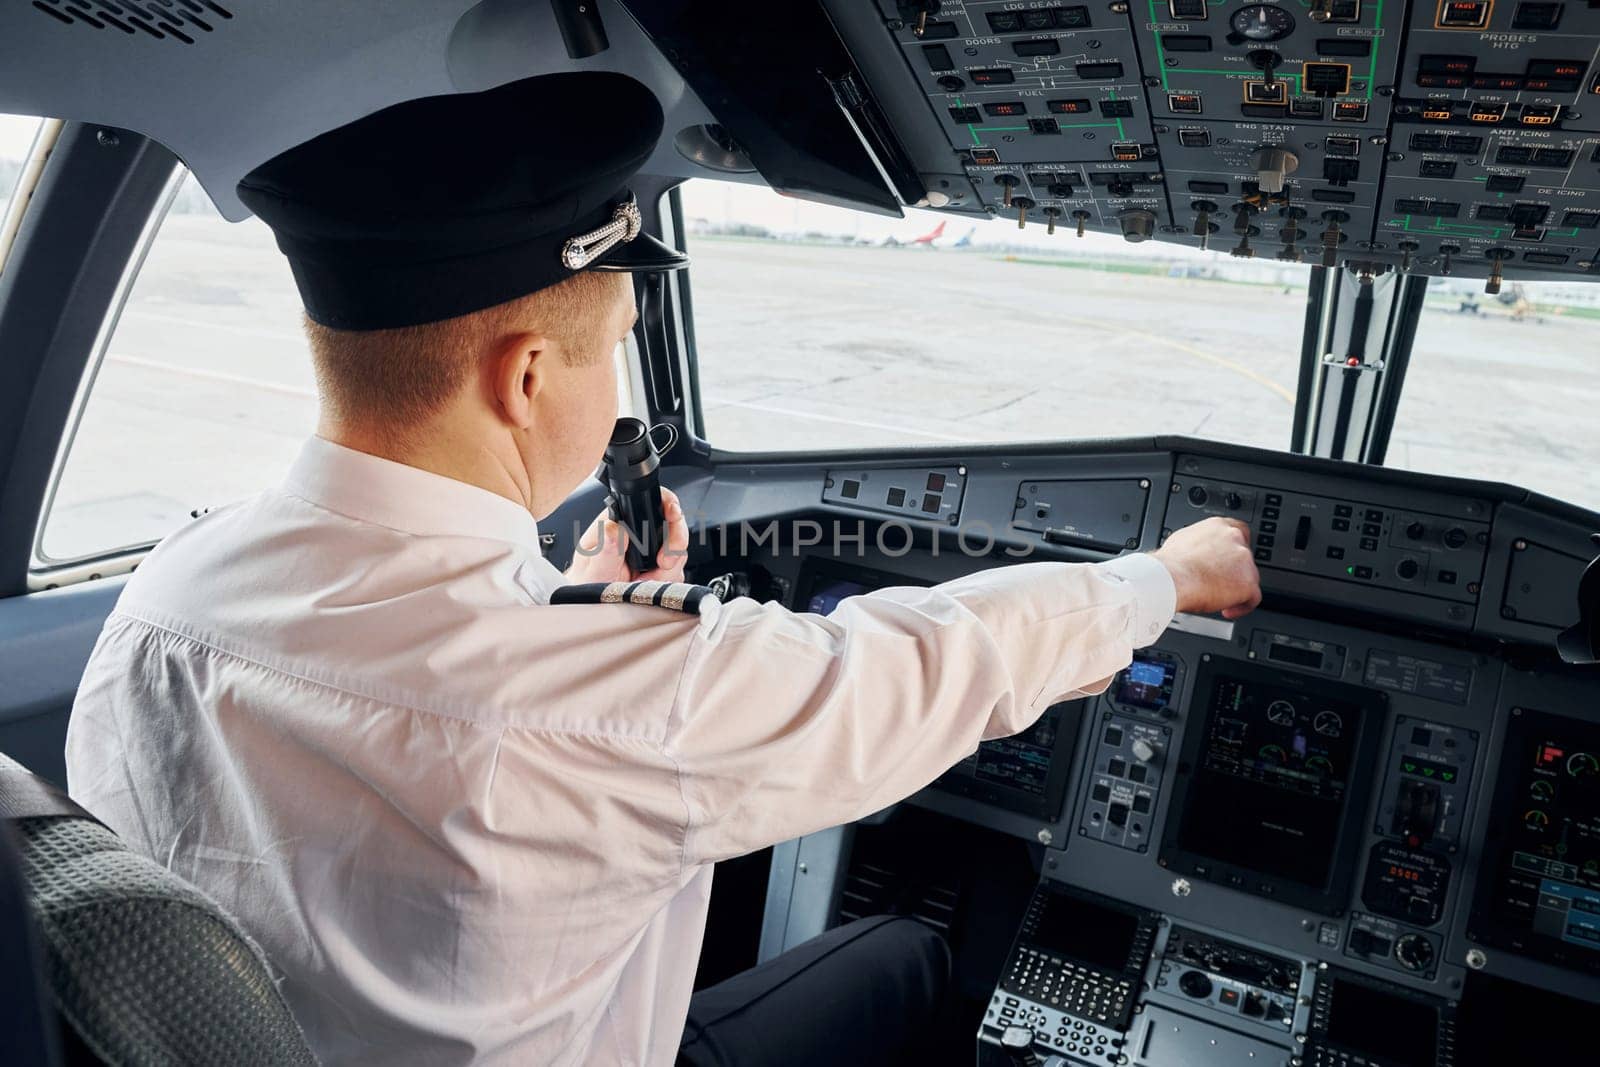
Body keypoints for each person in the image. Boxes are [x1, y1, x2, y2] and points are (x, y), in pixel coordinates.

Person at [64, 72, 1261, 1066]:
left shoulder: (165, 593)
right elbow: (920, 668)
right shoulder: (603, 695)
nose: (619, 396)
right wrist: (1164, 576)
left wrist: (568, 591)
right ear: (526, 377)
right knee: (901, 954)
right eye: (616, 354)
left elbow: (412, 660)